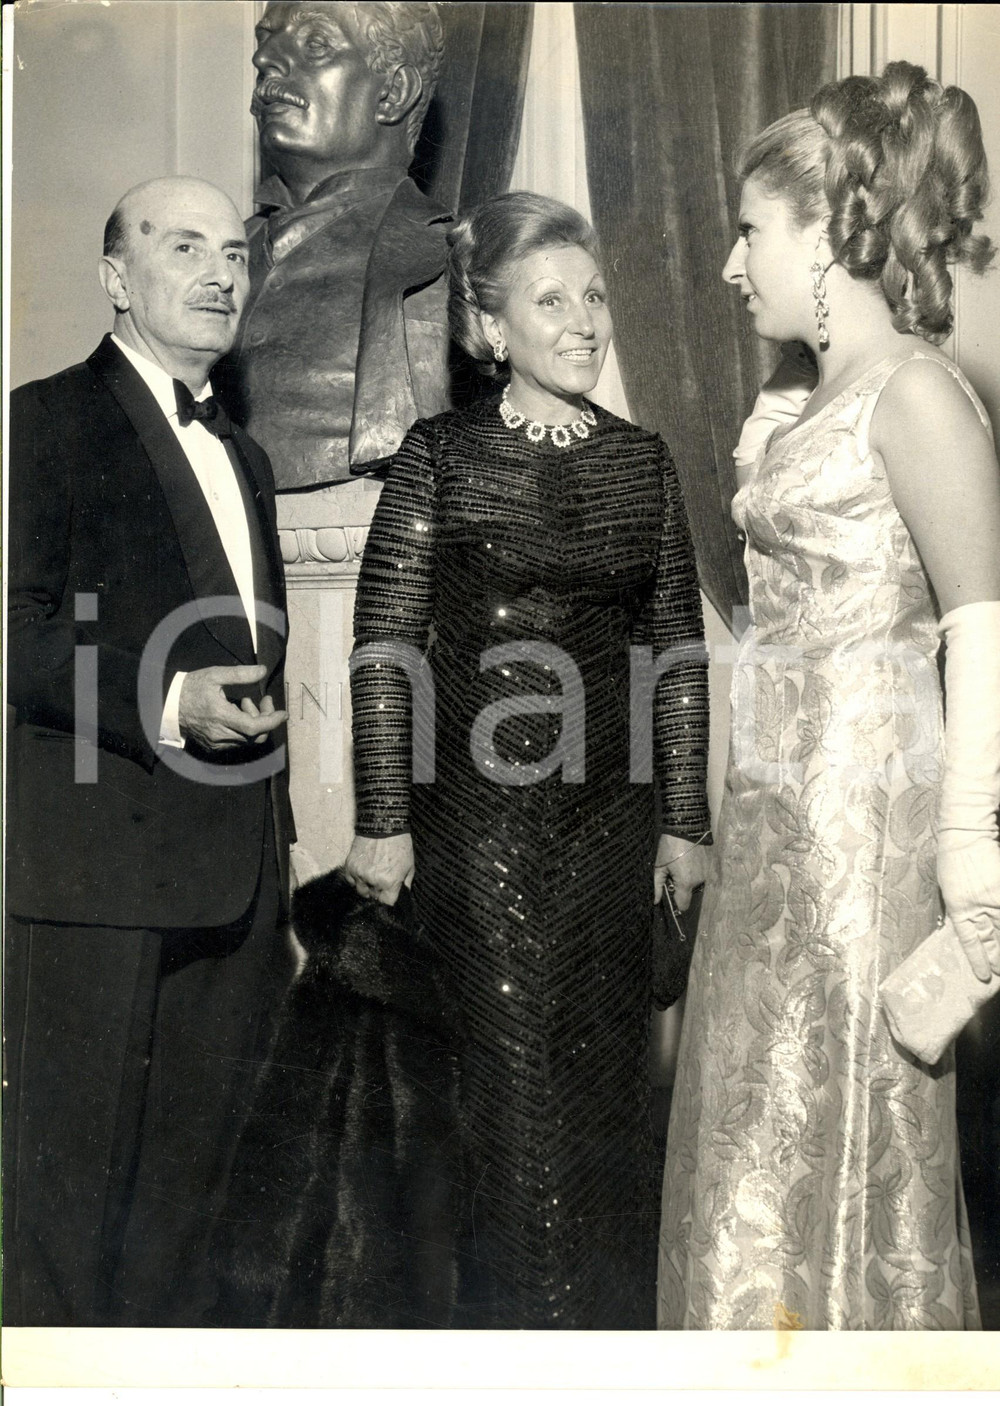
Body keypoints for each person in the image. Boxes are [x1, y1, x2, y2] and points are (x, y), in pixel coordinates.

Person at [658, 61, 999, 1331]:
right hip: (778, 823)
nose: (735, 267)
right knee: (757, 1134)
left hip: (867, 830)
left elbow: (983, 629)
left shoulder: (915, 390)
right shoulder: (812, 400)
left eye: (752, 233)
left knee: (848, 1132)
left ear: (824, 233)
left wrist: (970, 862)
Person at [344, 190, 712, 1329]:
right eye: (550, 300)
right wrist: (380, 816)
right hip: (478, 836)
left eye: (593, 295)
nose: (586, 320)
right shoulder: (438, 457)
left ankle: (595, 1348)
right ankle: (527, 1349)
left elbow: (676, 655)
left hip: (612, 838)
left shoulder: (643, 465)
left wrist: (685, 821)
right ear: (490, 329)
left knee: (602, 1111)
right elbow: (385, 648)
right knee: (513, 1111)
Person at [5, 176, 294, 1327]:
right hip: (94, 885)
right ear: (118, 279)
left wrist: (280, 866)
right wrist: (168, 698)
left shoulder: (249, 456)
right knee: (64, 1227)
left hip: (234, 891)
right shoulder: (39, 420)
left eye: (233, 249)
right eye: (185, 246)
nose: (222, 270)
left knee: (192, 1224)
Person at [216, 0, 451, 488]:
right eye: (265, 42)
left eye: (316, 43)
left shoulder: (456, 257)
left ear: (393, 93)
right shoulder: (213, 257)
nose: (263, 61)